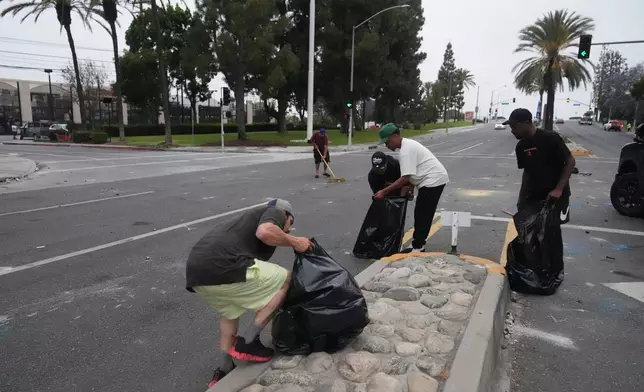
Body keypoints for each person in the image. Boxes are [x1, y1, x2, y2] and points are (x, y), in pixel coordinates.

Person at [185, 199, 311, 387]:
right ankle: (249, 341)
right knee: (287, 280)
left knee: (229, 314)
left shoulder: (243, 222)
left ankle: (223, 370)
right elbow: (265, 232)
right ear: (287, 215)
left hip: (198, 275)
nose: (288, 228)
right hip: (224, 266)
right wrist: (295, 241)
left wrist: (283, 235)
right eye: (291, 223)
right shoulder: (276, 211)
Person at [375, 123, 449, 253]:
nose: (386, 145)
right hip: (429, 179)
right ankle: (418, 244)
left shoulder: (406, 151)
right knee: (421, 212)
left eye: (387, 142)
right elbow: (412, 173)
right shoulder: (407, 146)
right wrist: (410, 189)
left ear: (395, 136)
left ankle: (418, 247)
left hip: (433, 180)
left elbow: (405, 178)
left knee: (423, 214)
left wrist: (383, 191)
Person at [504, 108, 575, 223]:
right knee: (533, 231)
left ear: (527, 122)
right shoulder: (521, 146)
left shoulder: (551, 138)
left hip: (556, 196)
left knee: (552, 231)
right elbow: (526, 173)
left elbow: (570, 161)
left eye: (514, 126)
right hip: (533, 197)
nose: (512, 131)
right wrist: (521, 199)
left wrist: (558, 189)